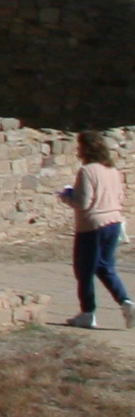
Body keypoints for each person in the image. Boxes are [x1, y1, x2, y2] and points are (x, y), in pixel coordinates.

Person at [66, 131, 129, 327]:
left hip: (92, 226)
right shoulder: (112, 171)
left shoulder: (87, 171)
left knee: (84, 270)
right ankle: (126, 302)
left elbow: (83, 202)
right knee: (104, 266)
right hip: (114, 222)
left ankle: (87, 312)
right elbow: (120, 197)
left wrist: (66, 196)